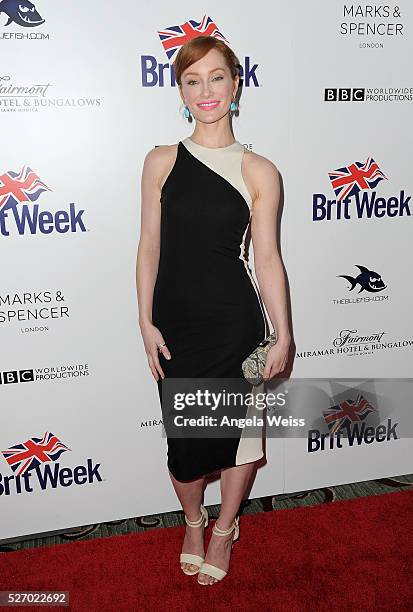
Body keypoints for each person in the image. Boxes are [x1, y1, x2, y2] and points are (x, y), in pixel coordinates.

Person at [136, 35, 290, 586]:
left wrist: (283, 335)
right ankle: (193, 520)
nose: (206, 91)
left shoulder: (259, 170)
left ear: (235, 84)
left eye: (217, 77)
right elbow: (148, 246)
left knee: (242, 438)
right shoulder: (161, 161)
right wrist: (145, 322)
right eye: (192, 80)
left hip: (236, 324)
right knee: (187, 446)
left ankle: (224, 528)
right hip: (176, 325)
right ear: (180, 90)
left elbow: (267, 258)